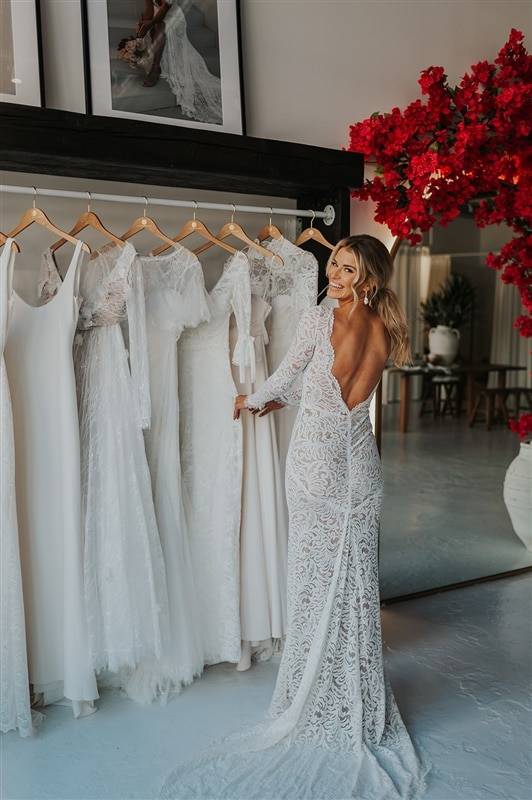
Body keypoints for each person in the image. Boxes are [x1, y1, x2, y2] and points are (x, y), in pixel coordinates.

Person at [160, 234, 432, 800]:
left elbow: (287, 378)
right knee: (355, 589)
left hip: (316, 469)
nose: (334, 273)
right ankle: (354, 700)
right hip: (363, 471)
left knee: (313, 588)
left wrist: (251, 400)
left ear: (369, 277)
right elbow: (332, 389)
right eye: (334, 263)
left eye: (347, 267)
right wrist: (276, 398)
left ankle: (312, 701)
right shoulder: (388, 330)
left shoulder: (318, 319)